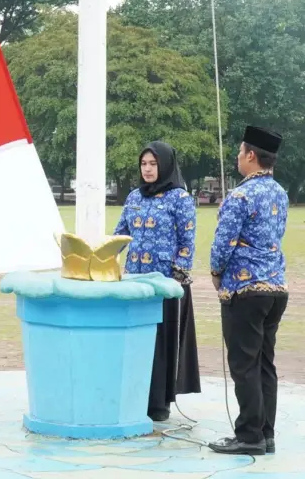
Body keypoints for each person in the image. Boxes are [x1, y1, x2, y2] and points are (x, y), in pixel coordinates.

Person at [207, 126, 288, 456]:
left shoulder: (239, 196)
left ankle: (249, 435)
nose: (238, 158)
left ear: (251, 156)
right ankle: (266, 434)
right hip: (276, 288)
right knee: (265, 363)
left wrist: (215, 274)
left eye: (240, 153)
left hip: (245, 288)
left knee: (244, 364)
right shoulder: (280, 193)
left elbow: (222, 244)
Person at [114, 141, 201, 422]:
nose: (148, 169)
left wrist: (176, 277)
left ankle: (158, 404)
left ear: (164, 166)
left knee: (161, 345)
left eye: (153, 164)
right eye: (144, 164)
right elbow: (119, 236)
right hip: (135, 283)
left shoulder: (180, 199)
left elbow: (187, 242)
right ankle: (134, 398)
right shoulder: (134, 198)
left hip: (165, 285)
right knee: (136, 342)